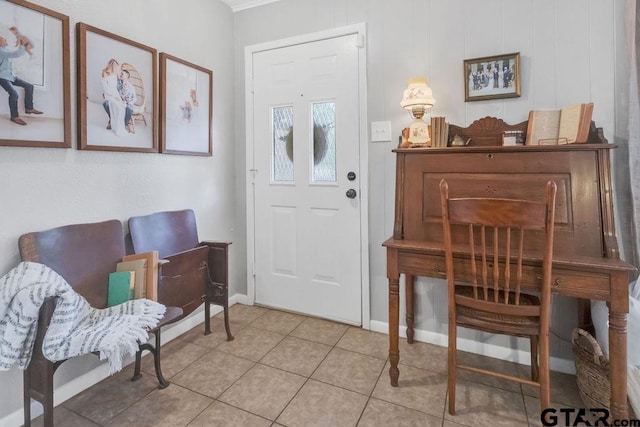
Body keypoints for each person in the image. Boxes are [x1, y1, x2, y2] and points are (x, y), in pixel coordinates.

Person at [0, 35, 42, 126]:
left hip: (11, 76)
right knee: (14, 93)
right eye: (3, 40)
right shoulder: (0, 51)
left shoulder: (5, 50)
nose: (5, 41)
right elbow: (16, 54)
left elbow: (15, 53)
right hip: (2, 77)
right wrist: (22, 45)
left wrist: (22, 44)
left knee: (29, 86)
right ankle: (14, 116)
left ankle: (29, 108)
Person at [101, 59, 126, 135]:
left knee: (122, 107)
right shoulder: (104, 73)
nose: (117, 69)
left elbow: (115, 87)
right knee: (118, 107)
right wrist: (114, 96)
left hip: (115, 94)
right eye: (116, 67)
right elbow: (106, 88)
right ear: (112, 66)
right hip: (109, 95)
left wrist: (118, 97)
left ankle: (118, 126)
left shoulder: (115, 74)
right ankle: (114, 125)